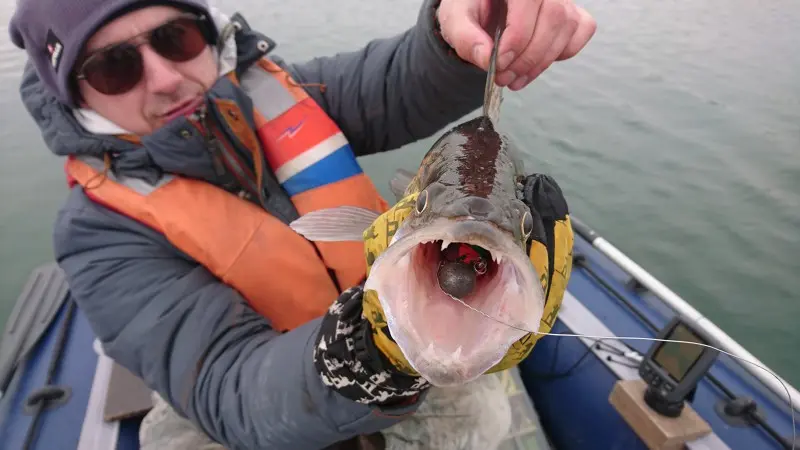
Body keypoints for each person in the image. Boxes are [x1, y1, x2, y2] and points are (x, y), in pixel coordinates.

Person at [9, 0, 595, 449]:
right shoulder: (96, 232)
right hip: (261, 398)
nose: (164, 78)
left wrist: (465, 32)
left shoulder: (282, 90)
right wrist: (367, 355)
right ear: (75, 95)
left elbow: (399, 81)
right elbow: (225, 385)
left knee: (483, 415)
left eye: (174, 38)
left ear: (206, 35)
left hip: (393, 332)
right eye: (113, 68)